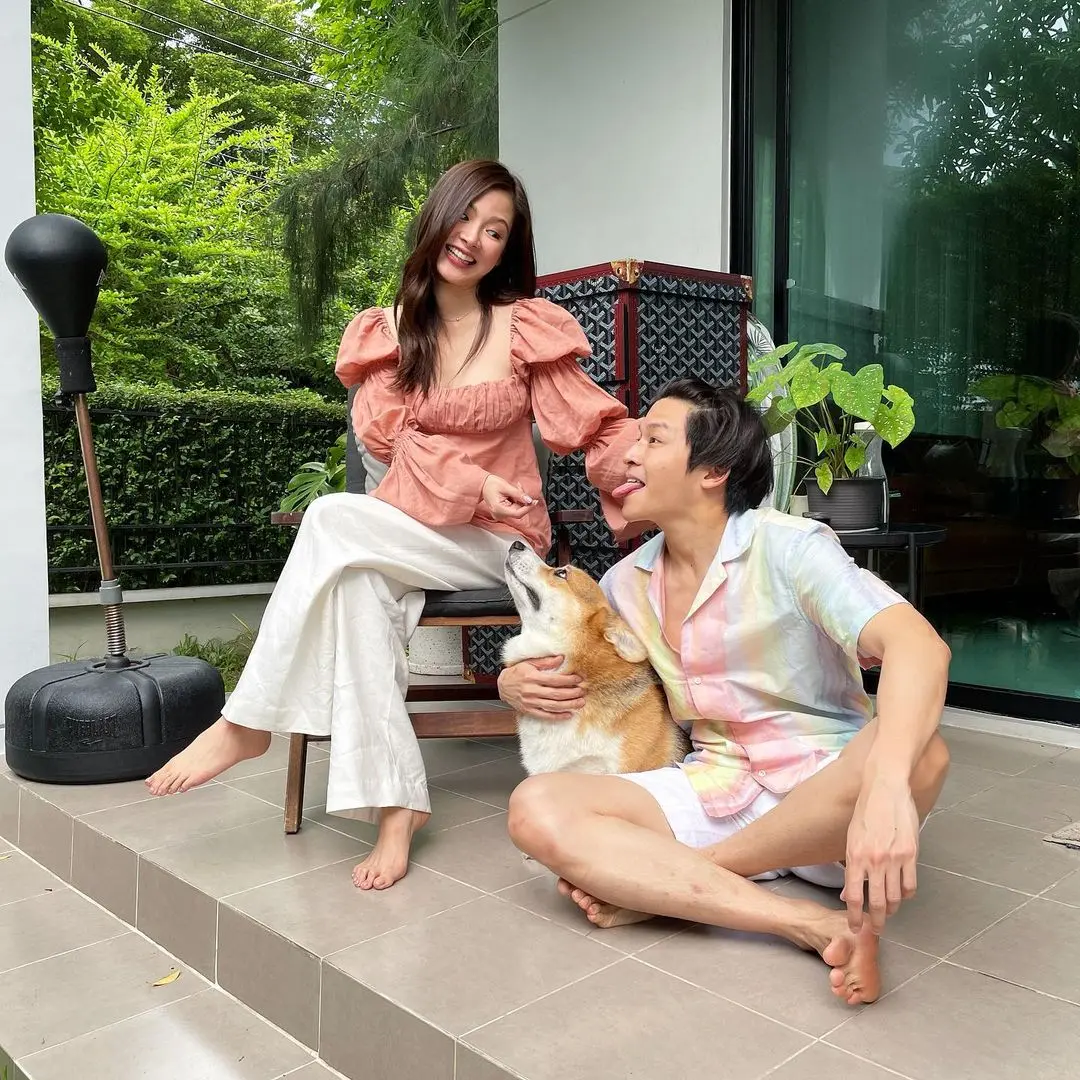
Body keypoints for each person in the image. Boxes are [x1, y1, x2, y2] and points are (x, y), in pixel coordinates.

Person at [145, 159, 640, 890]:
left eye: (495, 230)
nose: (473, 237)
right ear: (437, 217)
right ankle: (397, 806)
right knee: (356, 590)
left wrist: (652, 471)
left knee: (330, 517)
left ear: (507, 250)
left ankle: (246, 722)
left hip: (499, 543)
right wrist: (471, 479)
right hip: (408, 531)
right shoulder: (388, 333)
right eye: (465, 216)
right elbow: (390, 443)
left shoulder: (523, 327)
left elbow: (592, 425)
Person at [498, 378, 952, 1006]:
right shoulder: (627, 582)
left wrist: (886, 789)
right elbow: (601, 665)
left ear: (714, 471)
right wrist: (513, 681)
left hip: (828, 796)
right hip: (716, 788)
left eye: (652, 439)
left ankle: (682, 883)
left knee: (923, 754)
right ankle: (805, 922)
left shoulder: (790, 547)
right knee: (536, 806)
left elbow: (919, 647)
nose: (628, 455)